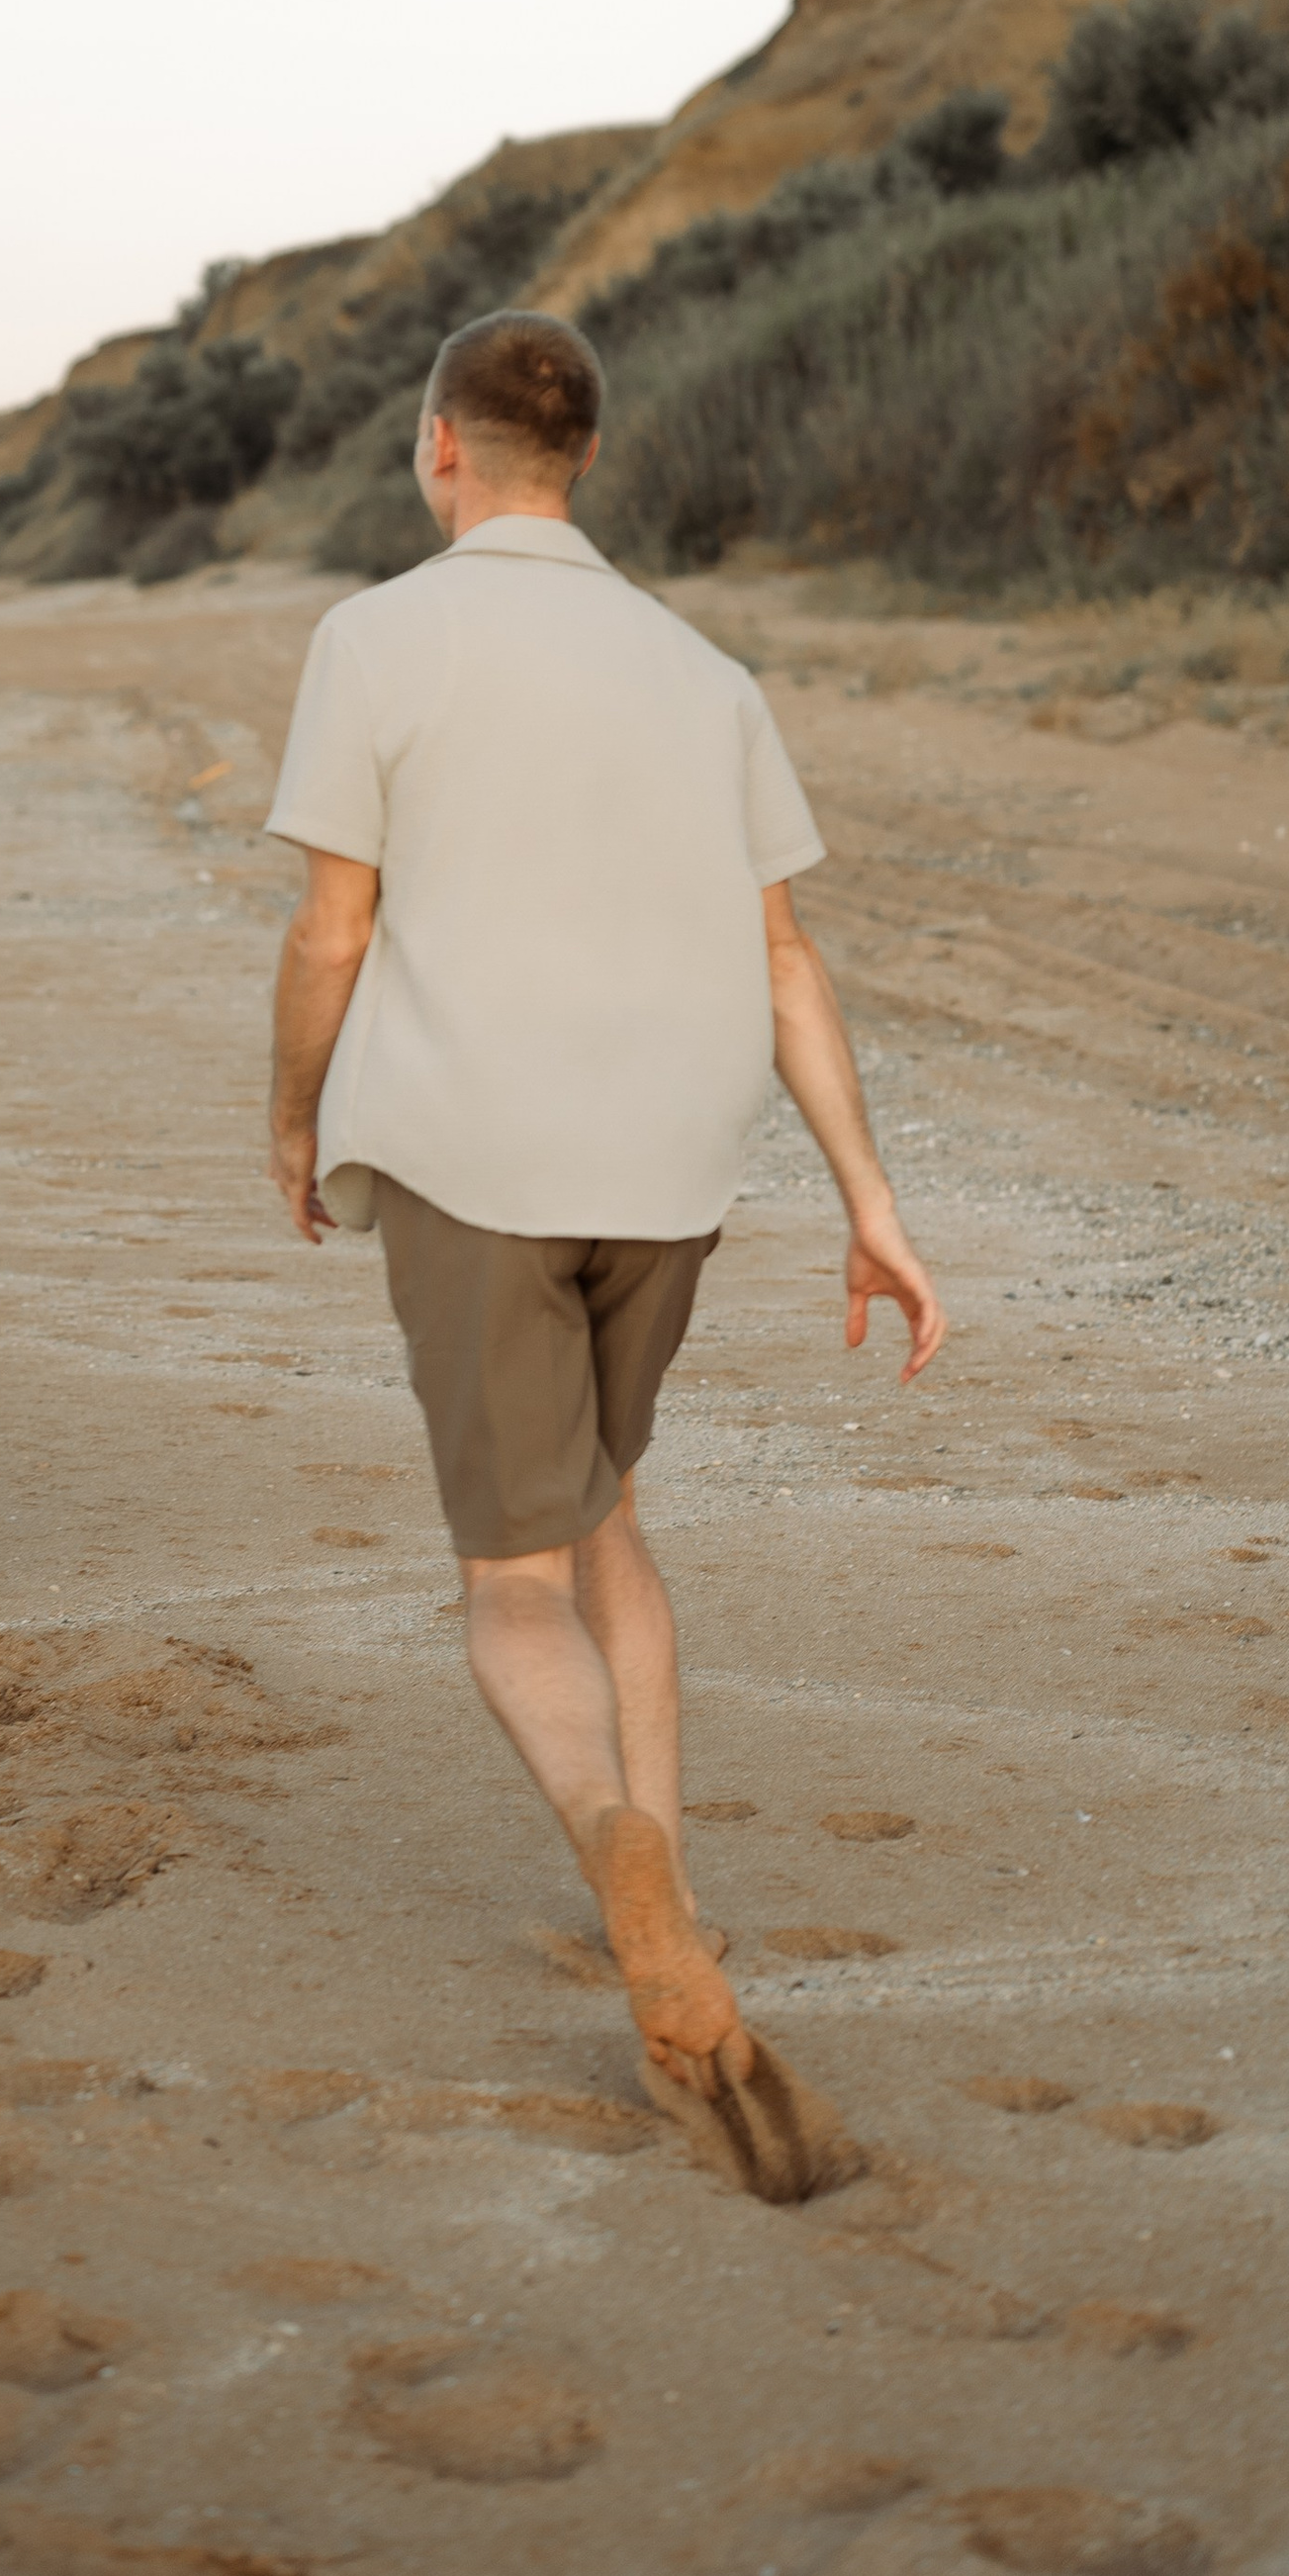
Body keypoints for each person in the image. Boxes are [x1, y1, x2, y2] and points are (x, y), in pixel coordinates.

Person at [264, 312, 944, 2113]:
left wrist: (291, 1110)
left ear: (440, 449)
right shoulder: (703, 670)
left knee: (511, 1582)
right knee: (611, 1520)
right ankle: (681, 1885)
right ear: (585, 460)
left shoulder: (375, 637)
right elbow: (785, 958)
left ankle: (624, 1870)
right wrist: (870, 1199)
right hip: (672, 1164)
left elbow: (334, 927)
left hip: (480, 1156)